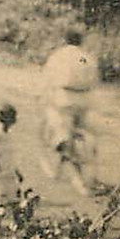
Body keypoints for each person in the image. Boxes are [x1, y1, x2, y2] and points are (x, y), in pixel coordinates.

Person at [42, 27, 100, 195]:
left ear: (65, 40)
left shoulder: (59, 56)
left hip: (64, 99)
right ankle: (58, 171)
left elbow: (48, 78)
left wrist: (45, 95)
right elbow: (95, 79)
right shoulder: (87, 57)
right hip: (84, 100)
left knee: (62, 139)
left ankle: (79, 181)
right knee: (83, 134)